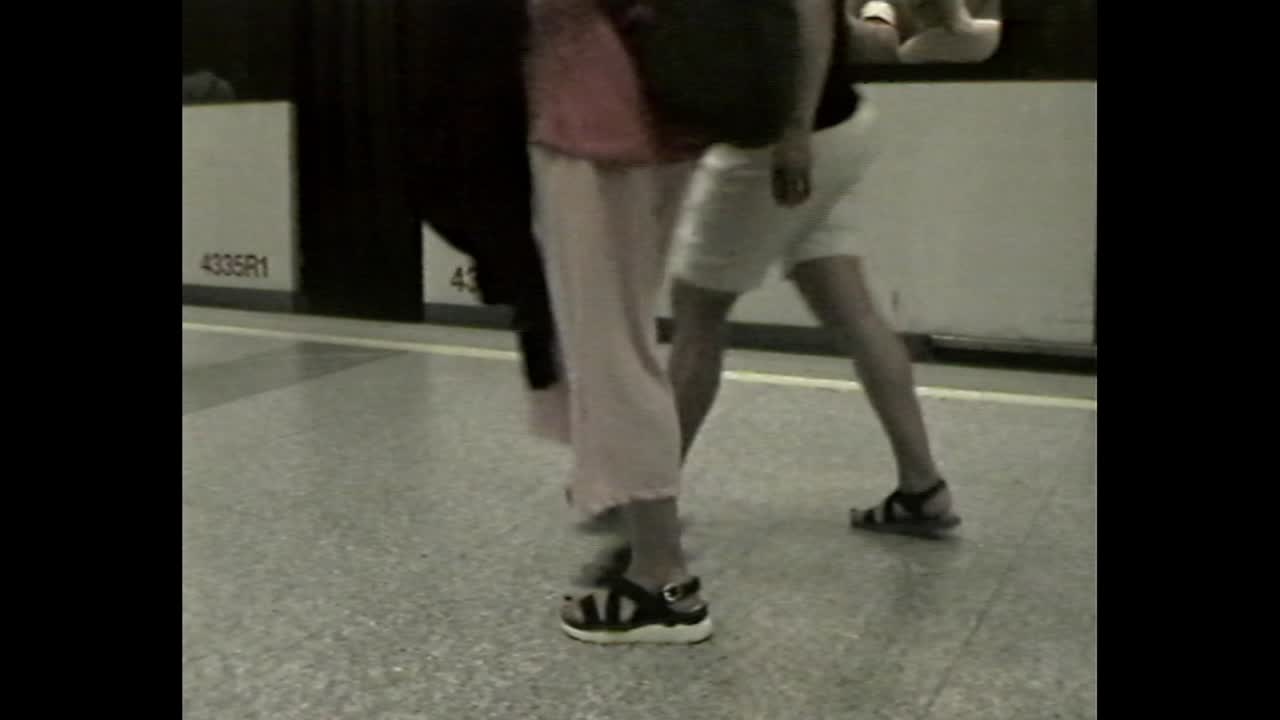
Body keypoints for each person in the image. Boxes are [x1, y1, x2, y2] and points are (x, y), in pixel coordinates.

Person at [665, 0, 962, 535]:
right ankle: (924, 488)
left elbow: (811, 12)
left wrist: (794, 131)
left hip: (778, 144)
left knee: (697, 314)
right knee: (851, 309)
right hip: (834, 130)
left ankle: (647, 495)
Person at [522, 0, 714, 644]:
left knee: (611, 350)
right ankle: (649, 543)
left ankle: (664, 580)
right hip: (658, 122)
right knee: (622, 341)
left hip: (595, 126)